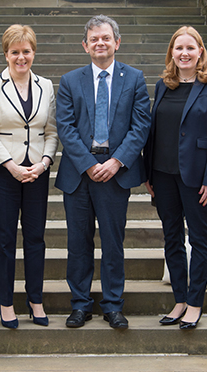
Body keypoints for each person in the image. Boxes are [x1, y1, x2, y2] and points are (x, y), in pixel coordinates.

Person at [55, 15, 151, 329]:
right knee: (78, 242)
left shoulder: (134, 78)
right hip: (79, 173)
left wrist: (117, 161)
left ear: (116, 42)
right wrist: (89, 164)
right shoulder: (70, 81)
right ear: (85, 45)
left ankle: (112, 306)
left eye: (106, 38)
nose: (100, 43)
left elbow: (140, 126)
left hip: (115, 172)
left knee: (113, 242)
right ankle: (80, 305)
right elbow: (66, 129)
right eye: (94, 39)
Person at [143, 26, 207, 330]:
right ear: (172, 53)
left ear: (200, 51)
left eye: (190, 48)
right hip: (162, 175)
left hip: (196, 177)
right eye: (178, 48)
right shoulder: (163, 85)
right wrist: (147, 172)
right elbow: (154, 131)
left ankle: (195, 303)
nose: (184, 53)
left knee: (200, 239)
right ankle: (179, 298)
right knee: (172, 237)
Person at [0, 24, 58, 329]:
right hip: (3, 174)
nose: (21, 57)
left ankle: (35, 300)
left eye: (26, 51)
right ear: (6, 53)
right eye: (15, 52)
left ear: (33, 53)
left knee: (36, 238)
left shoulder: (46, 86)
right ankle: (7, 303)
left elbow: (51, 131)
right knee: (5, 240)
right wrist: (11, 166)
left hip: (37, 174)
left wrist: (44, 163)